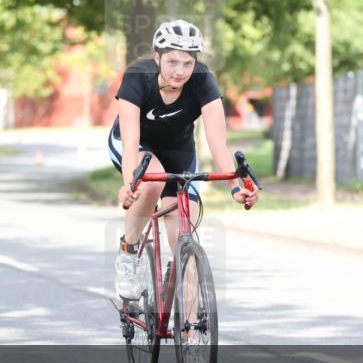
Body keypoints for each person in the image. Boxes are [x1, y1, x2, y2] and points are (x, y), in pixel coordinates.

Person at [108, 19, 260, 305]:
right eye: (172, 62)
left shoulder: (203, 81)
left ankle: (190, 335)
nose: (180, 71)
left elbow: (218, 143)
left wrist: (234, 186)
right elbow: (130, 142)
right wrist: (130, 183)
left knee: (183, 235)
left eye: (188, 63)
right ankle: (128, 251)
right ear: (157, 57)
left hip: (178, 149)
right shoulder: (137, 77)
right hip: (136, 145)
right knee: (151, 184)